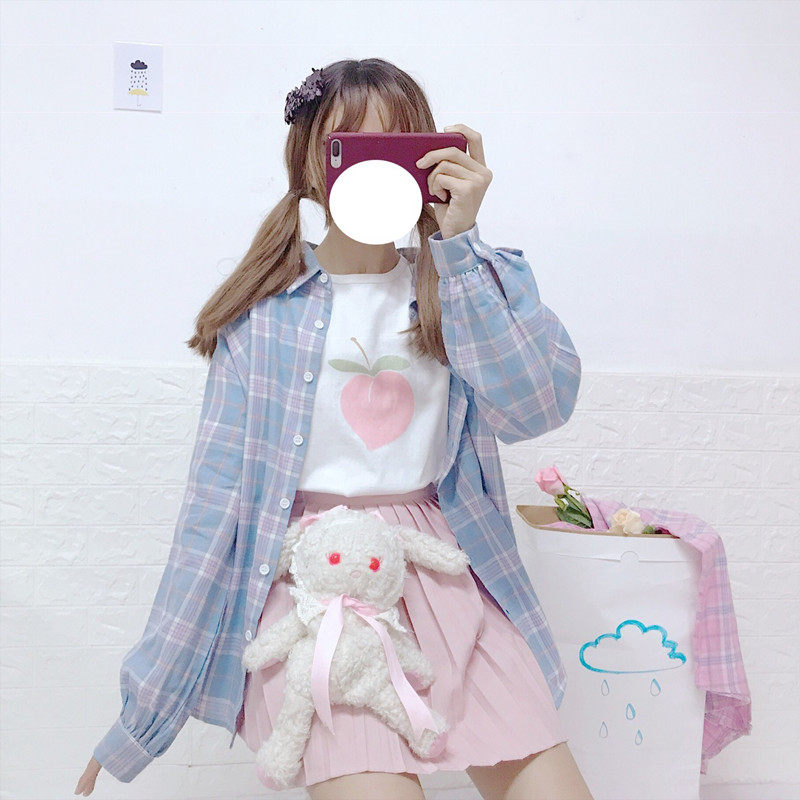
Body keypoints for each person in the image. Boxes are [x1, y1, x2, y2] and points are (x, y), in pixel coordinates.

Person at [75, 57, 593, 800]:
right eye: (354, 149)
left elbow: (536, 406)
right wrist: (141, 718)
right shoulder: (262, 322)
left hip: (450, 579)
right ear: (313, 166)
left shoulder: (461, 287)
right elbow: (211, 520)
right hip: (321, 592)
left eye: (398, 148)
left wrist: (463, 247)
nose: (376, 172)